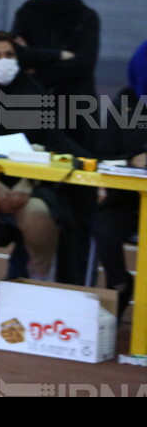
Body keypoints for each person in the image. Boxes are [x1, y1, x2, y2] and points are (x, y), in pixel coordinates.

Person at [0, 31, 95, 309]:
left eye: (10, 55)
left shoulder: (33, 93)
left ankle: (40, 278)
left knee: (38, 213)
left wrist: (27, 183)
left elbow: (52, 141)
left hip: (31, 183)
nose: (4, 61)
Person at [11, 0, 101, 284]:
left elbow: (83, 65)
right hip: (32, 109)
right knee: (34, 192)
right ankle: (23, 277)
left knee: (78, 198)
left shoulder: (87, 18)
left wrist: (39, 61)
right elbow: (17, 58)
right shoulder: (28, 12)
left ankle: (77, 281)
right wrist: (58, 55)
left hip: (77, 112)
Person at [92, 39, 147, 322]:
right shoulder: (124, 103)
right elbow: (103, 154)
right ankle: (119, 284)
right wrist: (133, 160)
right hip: (126, 201)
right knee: (104, 229)